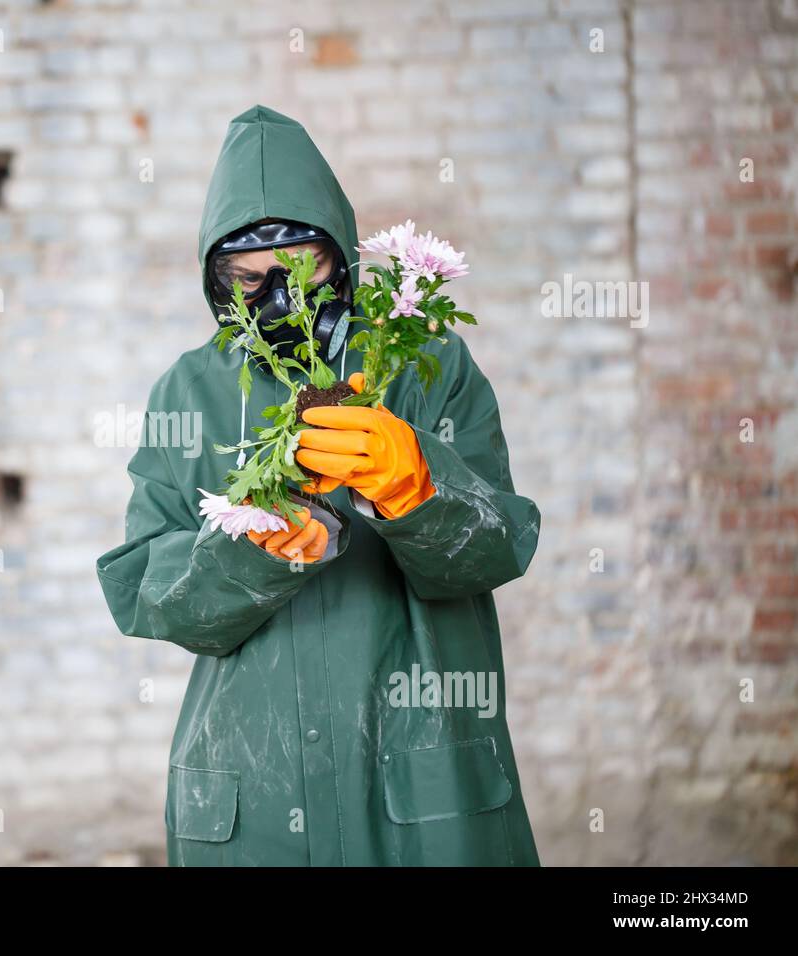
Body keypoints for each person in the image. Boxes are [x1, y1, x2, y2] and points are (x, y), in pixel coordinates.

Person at [95, 105, 542, 866]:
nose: (281, 298)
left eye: (305, 266)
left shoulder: (422, 363)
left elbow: (499, 547)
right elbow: (144, 588)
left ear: (344, 256)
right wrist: (247, 552)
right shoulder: (189, 391)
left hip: (421, 777)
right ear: (215, 277)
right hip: (253, 794)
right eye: (250, 278)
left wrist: (420, 491)